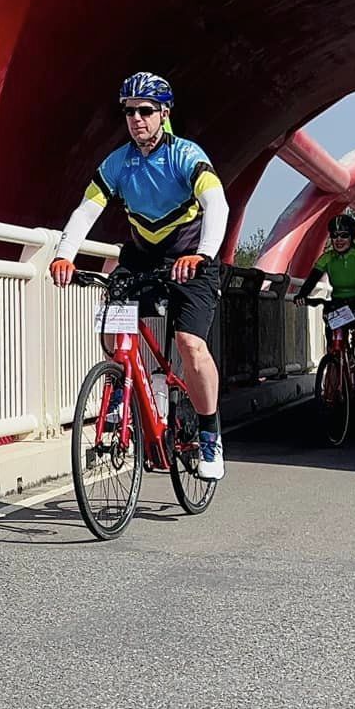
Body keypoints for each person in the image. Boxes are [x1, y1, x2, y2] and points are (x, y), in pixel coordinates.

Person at [47, 72, 229, 482]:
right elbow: (87, 210)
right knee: (112, 322)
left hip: (192, 258)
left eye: (145, 111)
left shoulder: (185, 155)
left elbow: (217, 205)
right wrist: (63, 255)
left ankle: (209, 433)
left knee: (189, 344)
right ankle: (125, 388)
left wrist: (202, 254)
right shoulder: (118, 163)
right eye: (129, 112)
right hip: (143, 257)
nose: (136, 119)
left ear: (164, 113)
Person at [296, 213, 355, 397]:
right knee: (334, 345)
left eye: (344, 235)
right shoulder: (326, 258)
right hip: (339, 307)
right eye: (334, 236)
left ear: (352, 236)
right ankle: (336, 377)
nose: (338, 240)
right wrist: (302, 295)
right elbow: (311, 279)